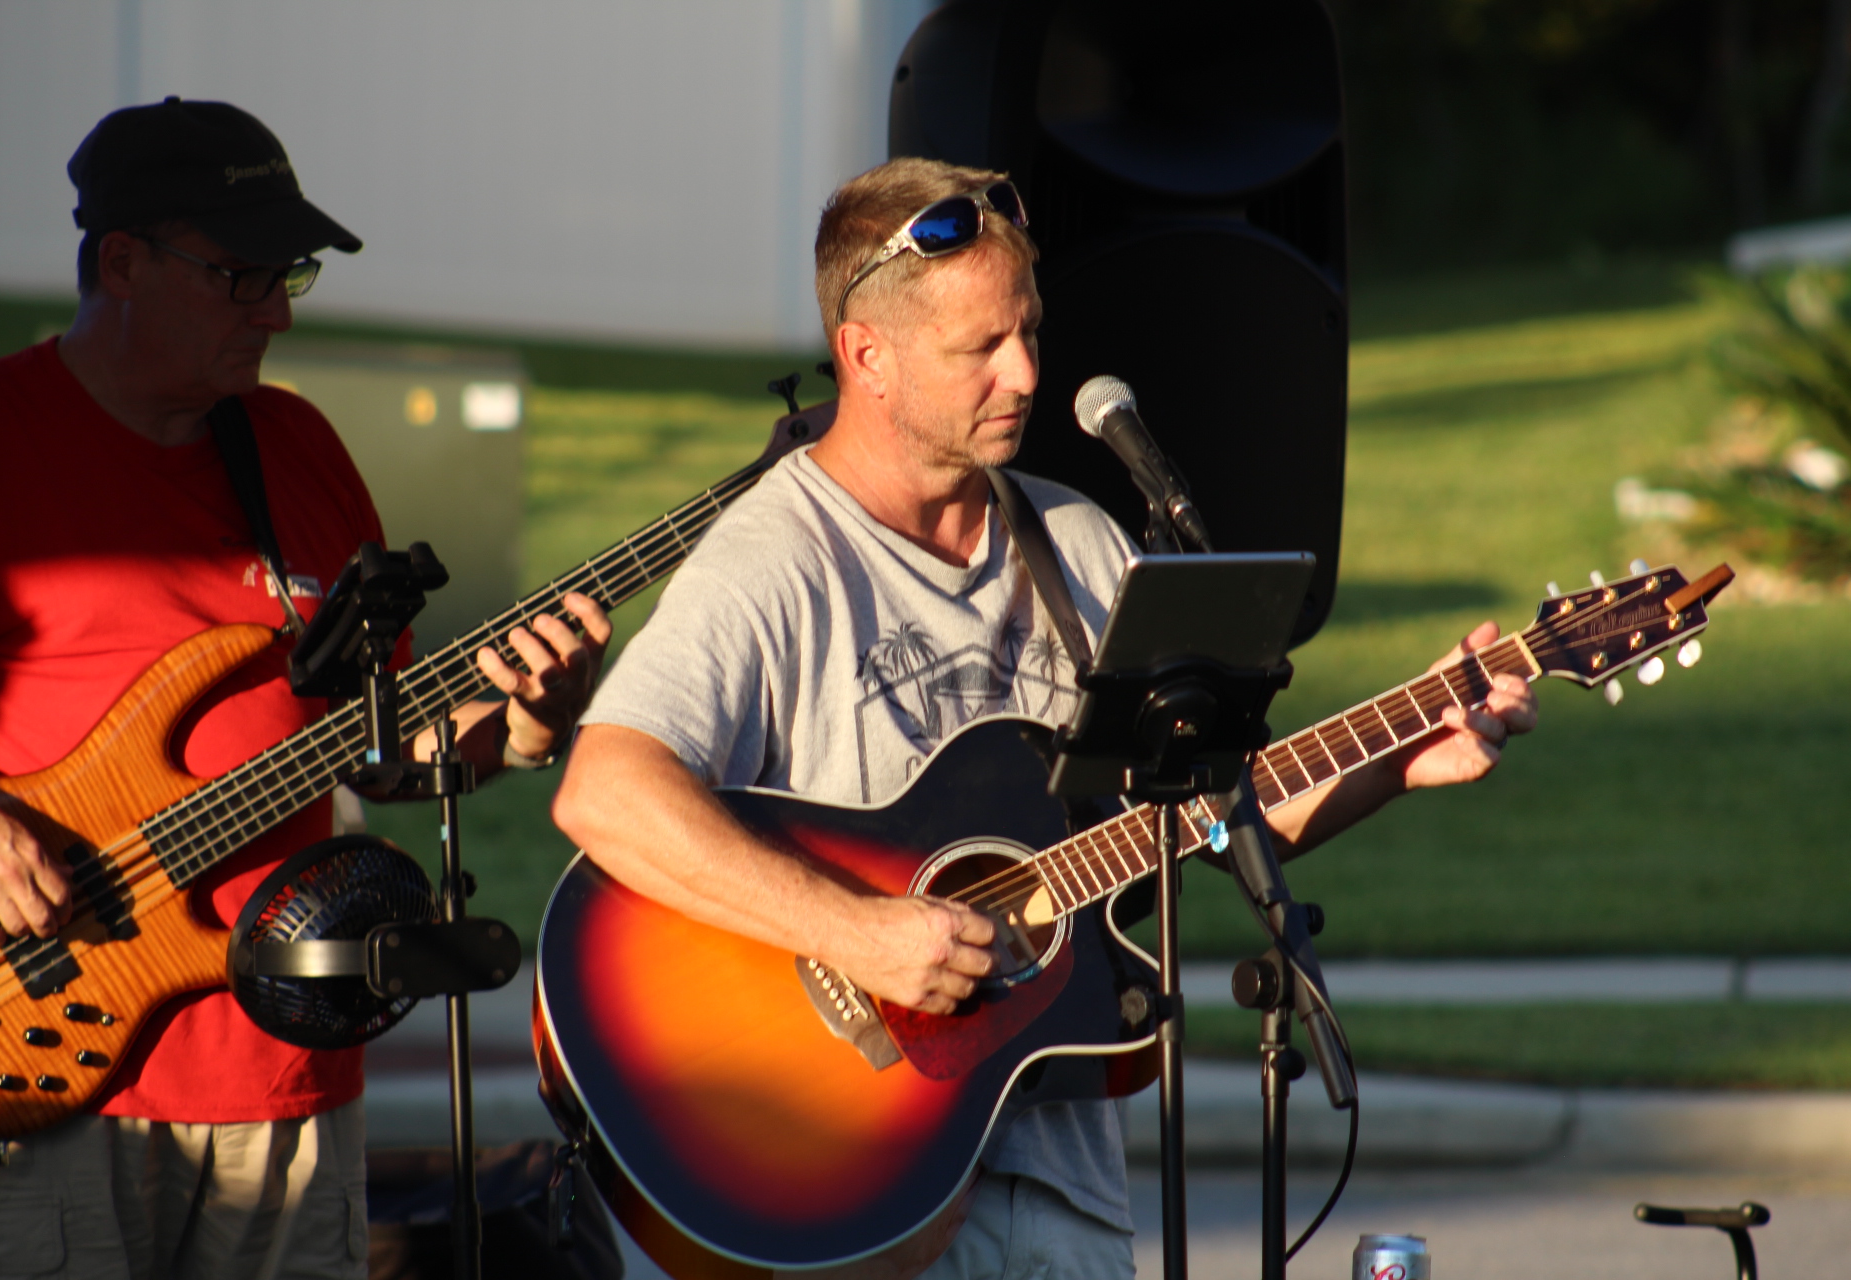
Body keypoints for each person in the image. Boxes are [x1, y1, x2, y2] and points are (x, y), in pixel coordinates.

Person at [554, 156, 1538, 1279]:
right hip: (864, 1195)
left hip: (1068, 1187)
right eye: (980, 347)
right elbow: (606, 790)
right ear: (865, 355)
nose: (1024, 372)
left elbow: (1207, 808)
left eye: (1029, 330)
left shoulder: (1075, 544)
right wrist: (856, 929)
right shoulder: (775, 560)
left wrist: (1399, 756)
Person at [0, 98, 609, 1279]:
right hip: (38, 1054)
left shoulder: (293, 448)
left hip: (285, 1066)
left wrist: (535, 716)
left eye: (286, 274)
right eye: (243, 276)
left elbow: (378, 749)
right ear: (124, 262)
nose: (280, 312)